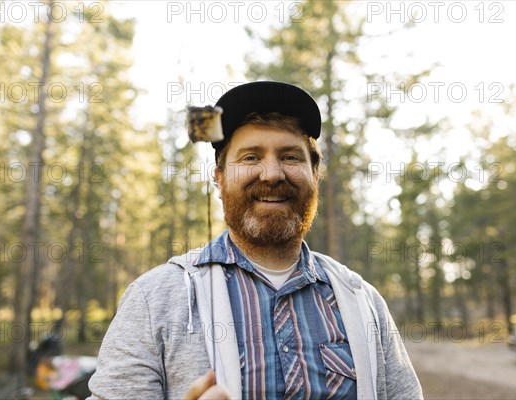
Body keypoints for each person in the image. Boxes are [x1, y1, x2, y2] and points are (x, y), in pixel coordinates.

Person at [88, 81, 423, 399]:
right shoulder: (154, 299)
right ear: (219, 179)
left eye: (290, 157)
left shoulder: (363, 301)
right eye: (250, 158)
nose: (272, 174)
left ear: (314, 175)